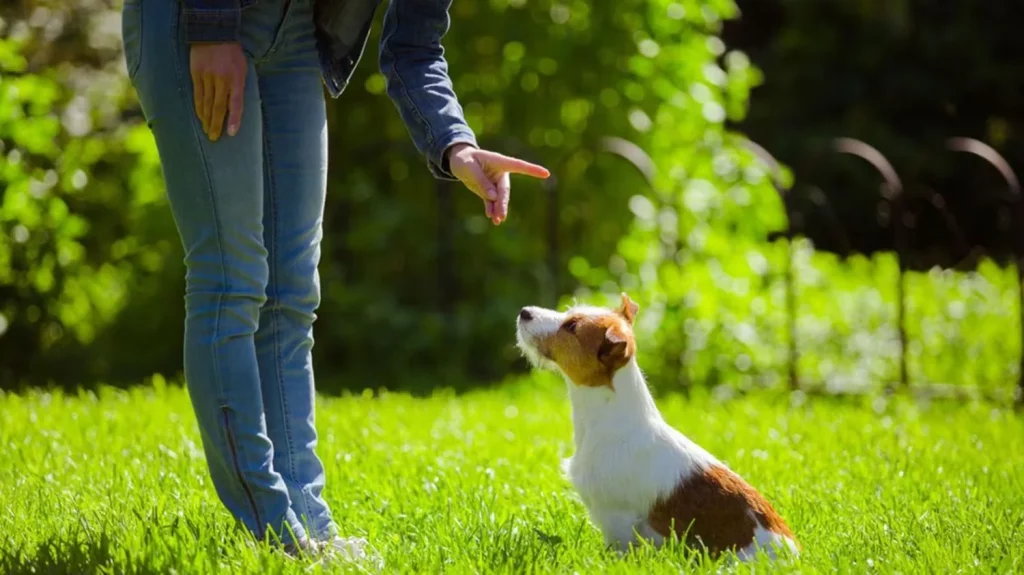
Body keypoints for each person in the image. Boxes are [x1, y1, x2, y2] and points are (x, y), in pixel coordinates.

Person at [120, 0, 549, 565]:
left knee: (292, 293)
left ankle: (308, 525)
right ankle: (271, 526)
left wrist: (457, 144)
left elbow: (415, 46)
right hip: (197, 20)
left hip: (293, 34)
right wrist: (210, 28)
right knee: (232, 278)